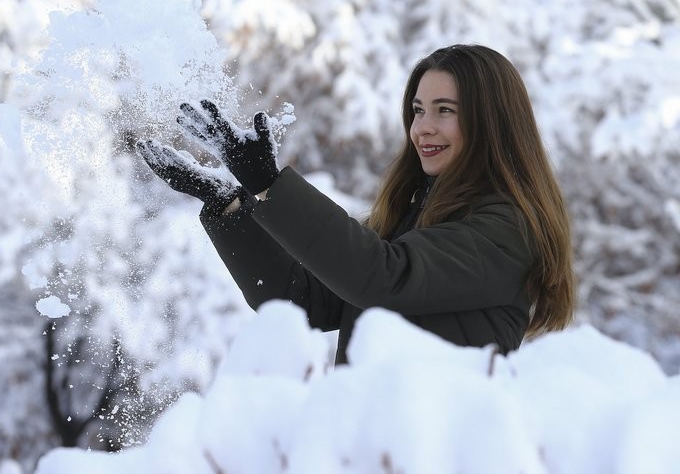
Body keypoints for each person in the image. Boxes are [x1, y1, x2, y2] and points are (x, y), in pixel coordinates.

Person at [137, 44, 575, 364]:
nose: (422, 127)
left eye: (445, 110)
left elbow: (381, 277)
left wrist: (270, 184)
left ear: (492, 123)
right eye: (418, 110)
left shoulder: (504, 229)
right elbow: (299, 300)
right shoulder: (411, 219)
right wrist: (229, 206)